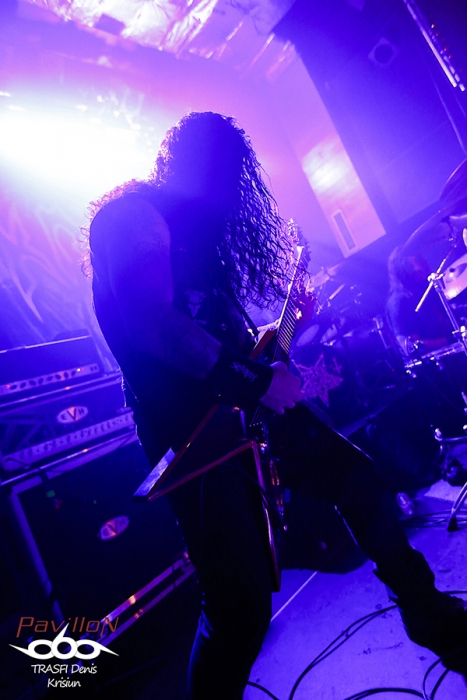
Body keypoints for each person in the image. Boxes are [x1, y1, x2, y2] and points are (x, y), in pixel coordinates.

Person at [85, 112, 467, 699]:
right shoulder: (132, 216)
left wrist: (281, 335)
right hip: (194, 438)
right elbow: (153, 326)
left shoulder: (196, 244)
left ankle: (430, 614)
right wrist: (258, 380)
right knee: (238, 613)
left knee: (359, 480)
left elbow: (224, 343)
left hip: (241, 415)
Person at [386, 246, 453, 356]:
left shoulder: (427, 287)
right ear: (400, 271)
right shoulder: (398, 302)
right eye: (409, 265)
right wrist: (449, 340)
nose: (417, 268)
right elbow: (410, 347)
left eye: (417, 262)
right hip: (434, 362)